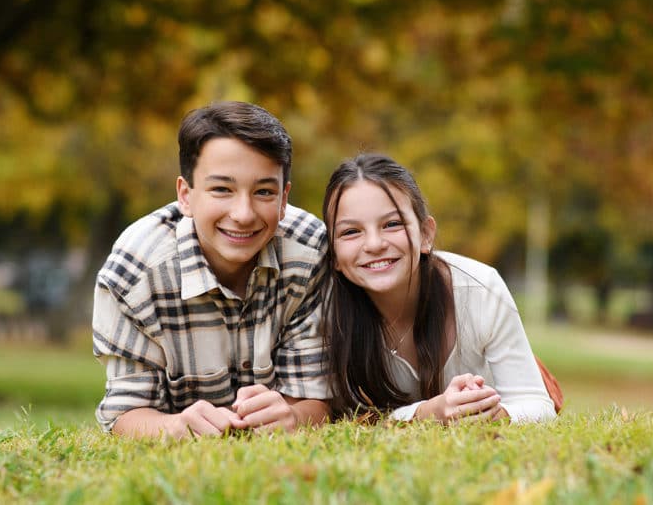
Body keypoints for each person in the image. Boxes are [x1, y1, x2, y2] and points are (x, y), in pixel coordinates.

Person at [92, 101, 330, 439]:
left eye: (264, 191)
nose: (244, 214)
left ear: (284, 198)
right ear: (185, 196)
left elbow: (316, 400)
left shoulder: (310, 255)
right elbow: (124, 415)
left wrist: (292, 416)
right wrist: (173, 426)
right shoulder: (133, 274)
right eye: (222, 189)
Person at [321, 153, 557, 424]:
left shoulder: (481, 288)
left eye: (392, 224)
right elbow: (344, 417)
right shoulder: (326, 313)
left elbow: (537, 404)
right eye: (351, 232)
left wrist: (494, 413)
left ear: (425, 235)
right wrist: (425, 413)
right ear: (334, 254)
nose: (374, 244)